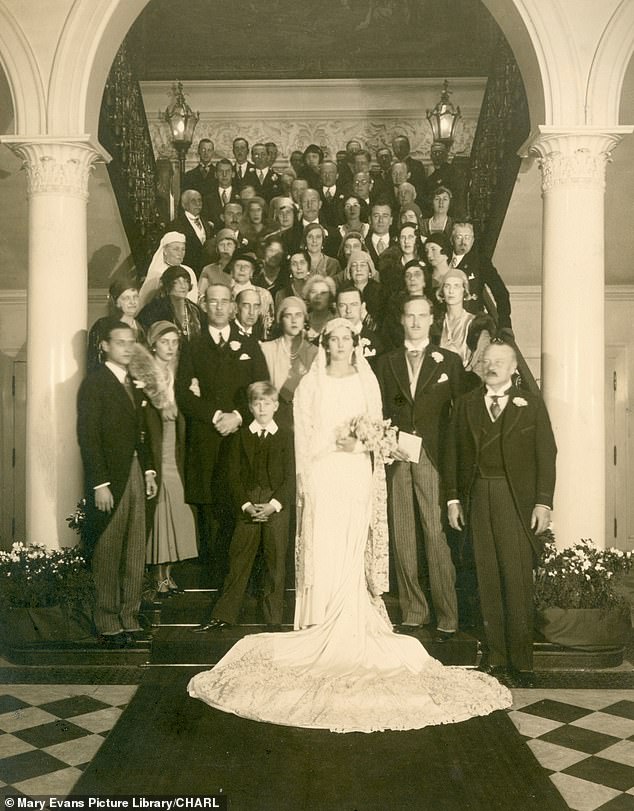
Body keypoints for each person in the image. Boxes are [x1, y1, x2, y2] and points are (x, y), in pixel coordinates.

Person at [187, 318, 510, 733]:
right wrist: (314, 470)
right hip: (322, 472)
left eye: (346, 338)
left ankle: (350, 609)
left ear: (354, 343)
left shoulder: (366, 378)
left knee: (351, 543)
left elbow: (375, 425)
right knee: (323, 544)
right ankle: (320, 617)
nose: (339, 344)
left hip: (356, 470)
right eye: (333, 339)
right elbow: (302, 434)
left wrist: (360, 443)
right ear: (324, 343)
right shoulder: (310, 384)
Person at [445, 342, 557, 684]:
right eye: (487, 360)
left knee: (516, 577)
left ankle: (522, 662)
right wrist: (452, 500)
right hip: (478, 495)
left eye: (500, 361)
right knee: (487, 577)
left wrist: (543, 502)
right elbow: (452, 455)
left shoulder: (532, 406)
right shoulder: (465, 405)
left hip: (516, 500)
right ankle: (495, 656)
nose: (492, 365)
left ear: (513, 368)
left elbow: (547, 455)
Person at [377, 296, 463, 638]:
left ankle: (448, 614)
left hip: (432, 455)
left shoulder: (450, 362)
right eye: (409, 315)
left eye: (421, 316)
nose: (415, 321)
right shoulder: (386, 362)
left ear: (432, 320)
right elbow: (380, 408)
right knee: (402, 534)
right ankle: (414, 609)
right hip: (397, 455)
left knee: (434, 533)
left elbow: (458, 416)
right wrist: (387, 443)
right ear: (401, 320)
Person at [175, 281, 268, 587]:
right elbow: (183, 394)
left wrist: (238, 416)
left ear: (232, 306)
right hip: (206, 439)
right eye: (213, 302)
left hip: (241, 438)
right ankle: (214, 584)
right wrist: (215, 415)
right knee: (211, 511)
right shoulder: (193, 346)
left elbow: (263, 388)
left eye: (224, 301)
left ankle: (243, 583)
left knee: (241, 502)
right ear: (204, 305)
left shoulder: (249, 345)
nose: (219, 307)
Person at [77, 319, 158, 647]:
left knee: (136, 548)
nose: (128, 347)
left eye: (131, 341)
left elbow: (144, 433)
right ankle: (108, 621)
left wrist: (149, 471)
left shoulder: (134, 382)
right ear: (105, 346)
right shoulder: (95, 383)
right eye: (120, 342)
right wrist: (99, 484)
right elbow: (89, 437)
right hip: (112, 479)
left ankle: (130, 616)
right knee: (109, 550)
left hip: (136, 474)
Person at [193, 382, 294, 633]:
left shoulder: (286, 436)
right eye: (257, 403)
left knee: (276, 561)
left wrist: (273, 505)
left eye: (267, 403)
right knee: (238, 558)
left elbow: (291, 477)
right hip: (249, 503)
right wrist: (247, 505)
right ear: (249, 407)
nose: (262, 408)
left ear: (276, 406)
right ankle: (224, 614)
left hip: (275, 504)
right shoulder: (239, 437)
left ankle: (274, 619)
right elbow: (232, 476)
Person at [129, 321, 197, 596]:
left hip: (175, 444)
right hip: (155, 444)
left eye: (174, 342)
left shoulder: (178, 373)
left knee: (177, 505)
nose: (170, 347)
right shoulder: (144, 372)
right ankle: (156, 575)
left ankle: (167, 574)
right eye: (165, 342)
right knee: (159, 506)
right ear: (154, 344)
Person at [260, 296, 318, 427]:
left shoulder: (315, 353)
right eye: (288, 316)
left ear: (305, 319)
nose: (293, 320)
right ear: (280, 320)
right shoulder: (266, 349)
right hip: (274, 418)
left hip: (306, 418)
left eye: (298, 315)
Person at [450, 222, 513, 335]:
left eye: (467, 237)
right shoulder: (442, 259)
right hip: (449, 324)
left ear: (473, 240)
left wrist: (505, 324)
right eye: (459, 237)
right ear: (452, 239)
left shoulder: (481, 262)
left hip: (472, 325)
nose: (463, 242)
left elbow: (501, 292)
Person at [435, 268, 494, 385]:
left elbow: (482, 363)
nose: (451, 291)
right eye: (447, 286)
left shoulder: (477, 325)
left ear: (464, 291)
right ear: (442, 291)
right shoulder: (434, 325)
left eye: (456, 286)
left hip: (467, 390)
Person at [87, 278, 144, 372]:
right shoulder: (103, 326)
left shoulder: (141, 328)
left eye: (135, 297)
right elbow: (94, 362)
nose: (133, 302)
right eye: (126, 298)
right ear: (116, 302)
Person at [138, 266, 202, 343]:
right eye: (177, 282)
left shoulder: (194, 309)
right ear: (168, 284)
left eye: (186, 281)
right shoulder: (154, 309)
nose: (183, 286)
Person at [138, 232, 198, 311]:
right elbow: (144, 302)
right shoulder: (157, 273)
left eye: (183, 249)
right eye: (175, 249)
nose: (180, 253)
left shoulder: (189, 271)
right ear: (165, 251)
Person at [168, 190, 214, 276]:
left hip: (206, 273)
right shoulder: (176, 225)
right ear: (184, 205)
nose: (198, 204)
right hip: (187, 272)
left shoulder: (207, 224)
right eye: (193, 201)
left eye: (199, 200)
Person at [303, 274, 336, 341]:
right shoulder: (302, 320)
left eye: (323, 293)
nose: (318, 297)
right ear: (308, 295)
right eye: (313, 292)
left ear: (330, 296)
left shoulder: (336, 321)